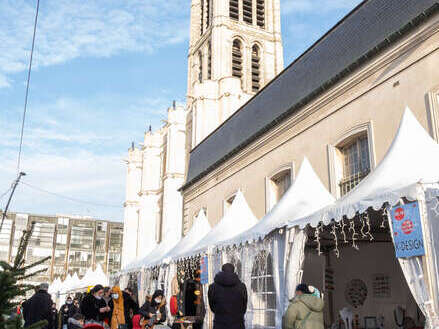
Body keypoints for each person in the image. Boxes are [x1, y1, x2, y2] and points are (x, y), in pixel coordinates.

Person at [208, 263, 247, 329]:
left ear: (222, 270)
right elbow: (244, 306)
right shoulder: (242, 286)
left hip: (220, 323)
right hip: (238, 323)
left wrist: (220, 312)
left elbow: (212, 306)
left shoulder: (212, 287)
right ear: (233, 271)